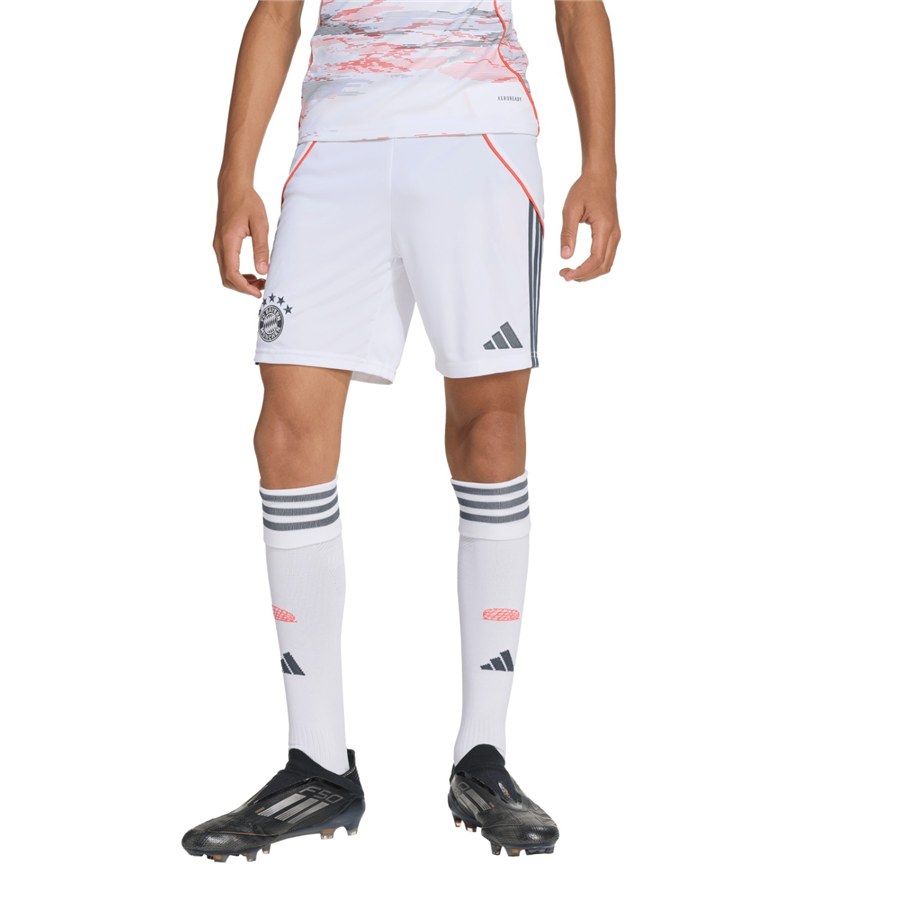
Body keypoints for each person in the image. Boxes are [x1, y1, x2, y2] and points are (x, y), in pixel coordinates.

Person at [184, 0, 619, 862]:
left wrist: (600, 165)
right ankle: (317, 764)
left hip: (479, 135)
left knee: (490, 430)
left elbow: (578, 5)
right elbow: (277, 11)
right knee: (286, 435)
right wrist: (235, 176)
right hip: (337, 138)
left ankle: (482, 757)